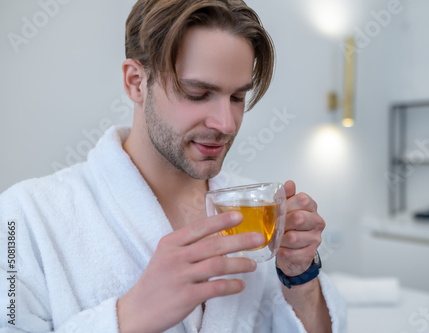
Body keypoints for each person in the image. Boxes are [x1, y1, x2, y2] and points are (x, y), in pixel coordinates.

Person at [0, 0, 346, 332]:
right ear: (136, 82)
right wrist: (130, 316)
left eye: (238, 97)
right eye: (197, 94)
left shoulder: (255, 216)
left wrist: (300, 277)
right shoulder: (24, 216)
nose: (226, 123)